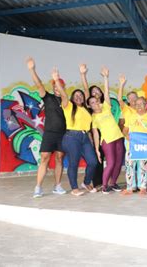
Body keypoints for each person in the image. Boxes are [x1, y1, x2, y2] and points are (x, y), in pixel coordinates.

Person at [52, 67, 98, 196]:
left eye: (81, 95)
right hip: (72, 137)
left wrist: (83, 75)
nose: (79, 96)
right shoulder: (69, 106)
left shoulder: (86, 109)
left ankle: (86, 182)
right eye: (76, 95)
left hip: (84, 137)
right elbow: (63, 94)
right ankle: (74, 188)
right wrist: (56, 80)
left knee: (93, 162)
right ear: (72, 98)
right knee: (74, 163)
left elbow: (86, 89)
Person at [26, 58, 66, 198]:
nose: (57, 88)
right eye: (55, 86)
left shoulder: (67, 101)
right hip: (49, 133)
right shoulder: (47, 97)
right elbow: (39, 84)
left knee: (59, 158)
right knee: (44, 158)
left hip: (63, 134)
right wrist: (32, 69)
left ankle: (57, 186)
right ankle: (38, 187)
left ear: (63, 88)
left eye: (59, 86)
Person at [87, 66, 125, 194]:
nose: (95, 103)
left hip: (118, 137)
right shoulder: (94, 117)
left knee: (119, 163)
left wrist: (105, 77)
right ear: (89, 105)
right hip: (107, 141)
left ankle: (113, 183)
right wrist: (97, 149)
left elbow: (106, 92)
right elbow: (96, 134)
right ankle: (104, 186)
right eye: (92, 102)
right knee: (111, 163)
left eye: (96, 101)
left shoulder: (106, 106)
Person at [121, 97, 147, 195]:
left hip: (144, 148)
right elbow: (125, 130)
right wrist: (127, 135)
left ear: (146, 105)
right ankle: (130, 187)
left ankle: (142, 187)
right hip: (131, 147)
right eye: (137, 104)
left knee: (143, 167)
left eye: (141, 104)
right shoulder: (131, 116)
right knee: (129, 167)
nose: (139, 106)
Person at [80, 64, 104, 190]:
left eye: (97, 91)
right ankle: (96, 183)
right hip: (91, 135)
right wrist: (83, 74)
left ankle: (103, 181)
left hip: (105, 135)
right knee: (95, 158)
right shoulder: (89, 106)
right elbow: (85, 89)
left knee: (102, 159)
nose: (95, 93)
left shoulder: (106, 106)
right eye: (93, 92)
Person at [117, 75, 142, 192]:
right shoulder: (126, 109)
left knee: (140, 163)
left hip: (141, 139)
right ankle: (131, 185)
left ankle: (141, 185)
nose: (132, 100)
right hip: (129, 138)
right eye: (130, 99)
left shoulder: (141, 110)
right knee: (130, 163)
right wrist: (121, 84)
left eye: (134, 98)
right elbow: (119, 100)